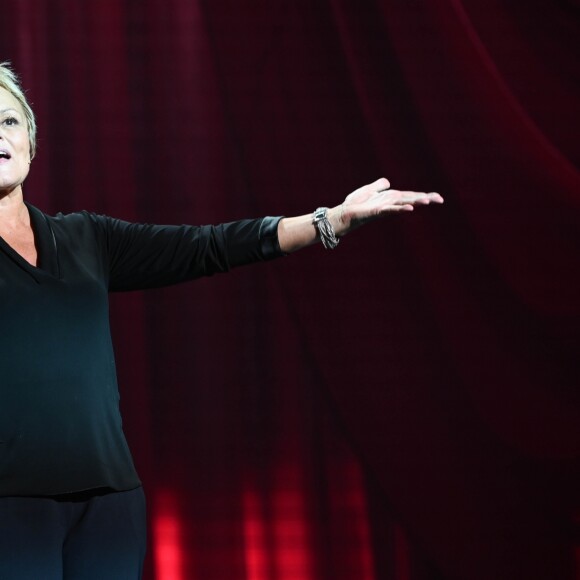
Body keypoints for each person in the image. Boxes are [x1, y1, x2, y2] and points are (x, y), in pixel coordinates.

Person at [0, 61, 443, 579]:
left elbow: (208, 245)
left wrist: (330, 222)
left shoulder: (85, 239)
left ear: (31, 136)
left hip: (108, 502)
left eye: (9, 121)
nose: (0, 136)